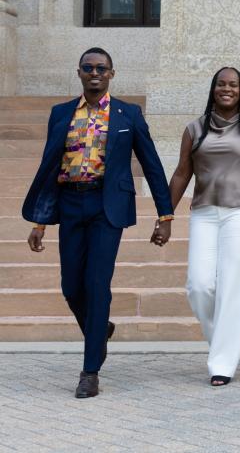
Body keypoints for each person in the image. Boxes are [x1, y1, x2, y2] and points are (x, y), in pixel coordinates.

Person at [22, 47, 174, 398]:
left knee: (97, 284)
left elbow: (151, 164)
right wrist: (40, 221)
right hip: (70, 202)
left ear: (111, 74)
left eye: (101, 68)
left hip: (108, 207)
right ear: (79, 73)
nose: (95, 73)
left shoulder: (128, 114)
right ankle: (99, 328)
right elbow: (49, 167)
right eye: (88, 68)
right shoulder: (60, 114)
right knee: (71, 286)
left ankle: (90, 370)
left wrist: (164, 215)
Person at [166, 67, 240, 386]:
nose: (226, 89)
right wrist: (165, 215)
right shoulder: (195, 128)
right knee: (199, 285)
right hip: (204, 210)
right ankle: (223, 343)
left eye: (233, 85)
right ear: (213, 89)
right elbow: (180, 173)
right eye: (221, 84)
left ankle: (223, 363)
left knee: (230, 284)